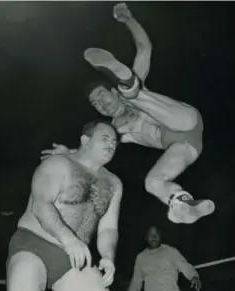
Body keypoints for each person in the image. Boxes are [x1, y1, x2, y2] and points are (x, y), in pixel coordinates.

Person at [82, 3, 215, 224]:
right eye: (95, 103)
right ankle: (186, 206)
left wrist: (128, 20)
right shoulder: (114, 129)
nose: (100, 105)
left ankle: (130, 87)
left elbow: (145, 48)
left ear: (112, 91)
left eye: (101, 96)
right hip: (184, 147)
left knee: (135, 94)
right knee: (152, 182)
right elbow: (93, 149)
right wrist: (69, 152)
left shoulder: (127, 92)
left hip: (183, 120)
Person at [4, 120, 123, 291]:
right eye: (105, 138)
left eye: (114, 141)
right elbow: (41, 205)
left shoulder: (114, 183)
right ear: (85, 140)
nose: (111, 144)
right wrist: (69, 240)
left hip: (73, 258)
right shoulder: (58, 163)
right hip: (34, 245)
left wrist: (108, 257)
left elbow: (108, 227)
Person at [124, 225, 201, 291]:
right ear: (146, 237)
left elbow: (185, 265)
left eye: (156, 234)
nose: (153, 237)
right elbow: (136, 281)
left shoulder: (170, 251)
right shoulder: (141, 257)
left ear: (161, 235)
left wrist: (194, 276)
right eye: (150, 235)